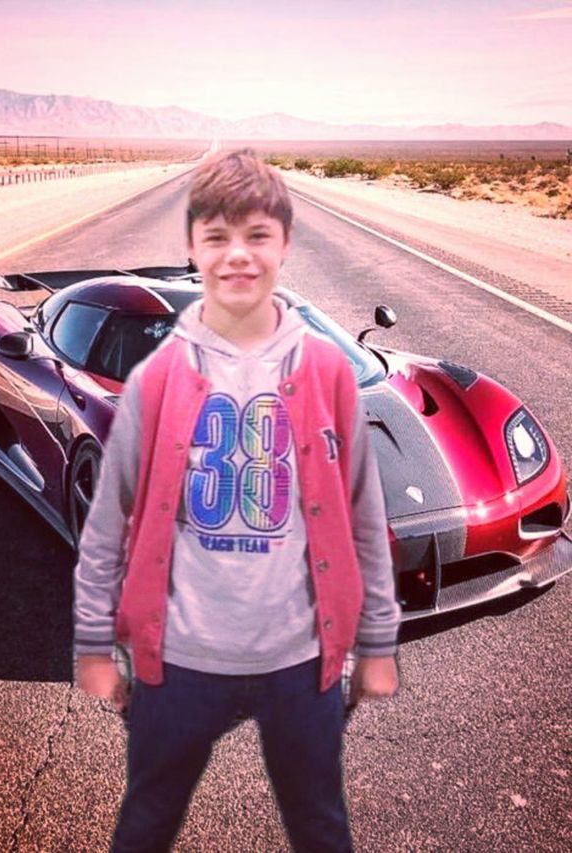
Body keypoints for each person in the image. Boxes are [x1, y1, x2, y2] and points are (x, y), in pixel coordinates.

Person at [74, 149, 401, 853]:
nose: (238, 255)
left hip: (301, 661)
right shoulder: (156, 377)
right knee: (146, 822)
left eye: (257, 235)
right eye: (218, 236)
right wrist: (94, 643)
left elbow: (364, 514)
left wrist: (377, 639)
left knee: (322, 826)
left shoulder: (327, 369)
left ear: (285, 243)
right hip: (180, 661)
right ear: (193, 246)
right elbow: (105, 527)